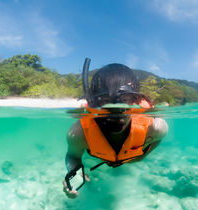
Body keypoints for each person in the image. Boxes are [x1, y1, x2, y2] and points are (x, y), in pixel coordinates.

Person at [63, 59, 168, 198]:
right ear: (93, 102)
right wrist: (74, 172)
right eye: (105, 100)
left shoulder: (156, 128)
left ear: (136, 101)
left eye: (125, 99)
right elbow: (72, 156)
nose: (117, 111)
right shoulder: (78, 134)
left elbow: (160, 138)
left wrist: (143, 155)